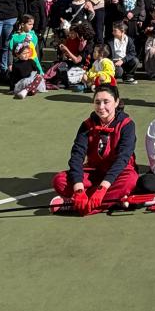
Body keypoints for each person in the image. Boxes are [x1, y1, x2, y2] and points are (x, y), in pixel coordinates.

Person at [50, 84, 139, 215]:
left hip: (118, 173)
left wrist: (103, 188)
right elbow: (77, 156)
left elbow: (123, 159)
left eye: (106, 102)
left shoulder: (127, 125)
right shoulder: (87, 125)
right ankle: (112, 200)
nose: (101, 107)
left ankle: (79, 207)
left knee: (130, 179)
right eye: (97, 102)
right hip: (95, 171)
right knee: (59, 180)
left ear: (116, 102)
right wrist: (79, 189)